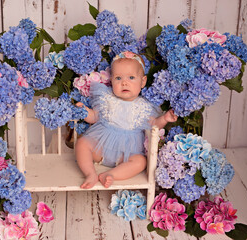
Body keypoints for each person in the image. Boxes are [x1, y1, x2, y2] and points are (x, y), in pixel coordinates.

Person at [75, 51, 178, 189]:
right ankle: (90, 173)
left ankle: (111, 174)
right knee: (82, 143)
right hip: (101, 147)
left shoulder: (144, 106)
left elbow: (153, 125)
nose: (124, 83)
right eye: (118, 78)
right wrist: (84, 111)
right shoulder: (107, 99)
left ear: (143, 82)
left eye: (131, 77)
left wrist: (165, 118)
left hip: (126, 155)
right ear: (111, 80)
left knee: (140, 162)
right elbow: (94, 117)